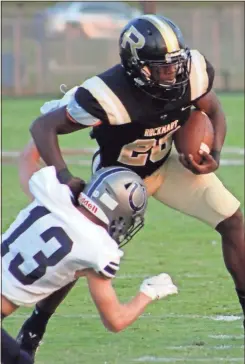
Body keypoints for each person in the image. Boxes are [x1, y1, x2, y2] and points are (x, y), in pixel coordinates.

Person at [16, 14, 244, 358]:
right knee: (81, 250)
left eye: (175, 64)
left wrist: (214, 151)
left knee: (233, 220)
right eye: (162, 67)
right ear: (137, 67)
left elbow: (212, 108)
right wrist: (63, 176)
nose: (173, 73)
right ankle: (34, 329)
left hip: (168, 164)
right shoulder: (106, 93)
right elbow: (43, 127)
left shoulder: (192, 72)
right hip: (118, 181)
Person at [1, 161, 178, 364]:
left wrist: (53, 132)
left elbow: (28, 156)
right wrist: (148, 292)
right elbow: (115, 321)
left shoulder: (51, 193)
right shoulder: (97, 249)